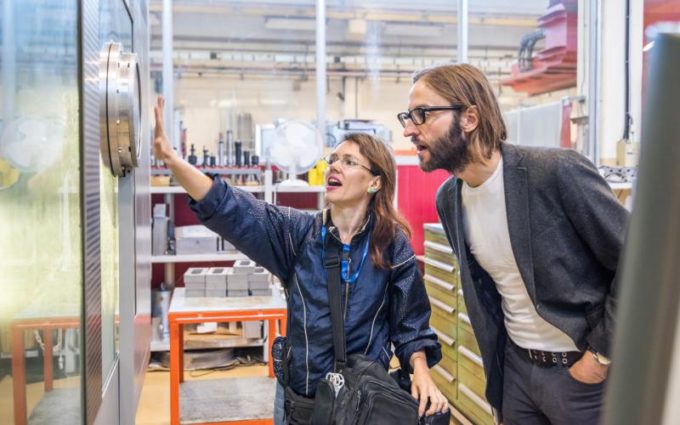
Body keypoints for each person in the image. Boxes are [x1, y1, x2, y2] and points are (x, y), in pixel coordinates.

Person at [153, 97, 448, 424]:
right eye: (333, 159)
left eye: (349, 162)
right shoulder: (297, 233)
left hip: (362, 405)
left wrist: (421, 370)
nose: (334, 166)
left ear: (375, 182)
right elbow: (230, 207)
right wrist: (172, 159)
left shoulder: (392, 244)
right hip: (302, 404)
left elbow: (410, 323)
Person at [399, 64, 628, 425]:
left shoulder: (554, 172)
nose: (410, 129)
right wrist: (504, 385)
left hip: (582, 375)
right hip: (517, 373)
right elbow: (489, 294)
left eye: (422, 115)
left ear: (470, 117)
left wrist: (600, 357)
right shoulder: (450, 199)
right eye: (408, 117)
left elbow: (639, 265)